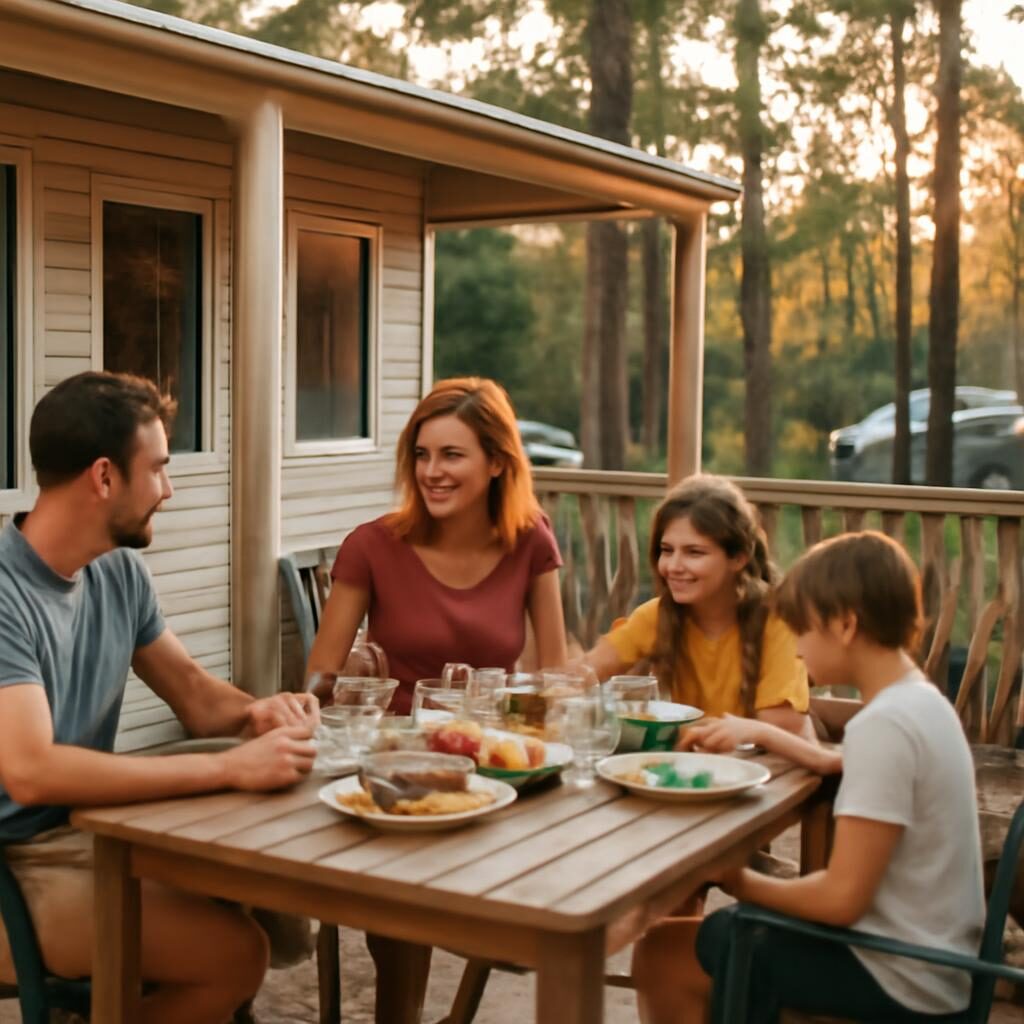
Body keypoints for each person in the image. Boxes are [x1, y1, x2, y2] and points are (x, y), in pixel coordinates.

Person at [0, 371, 320, 1024]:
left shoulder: (117, 570)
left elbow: (198, 698)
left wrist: (259, 712)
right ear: (104, 477)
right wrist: (229, 766)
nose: (168, 491)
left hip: (81, 835)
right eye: (159, 469)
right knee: (233, 957)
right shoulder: (5, 593)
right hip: (9, 868)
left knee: (256, 878)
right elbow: (30, 772)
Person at [642, 531, 985, 1024]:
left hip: (905, 981)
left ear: (845, 625)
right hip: (935, 966)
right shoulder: (921, 702)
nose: (797, 648)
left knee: (700, 941)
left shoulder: (884, 725)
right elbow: (847, 766)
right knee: (680, 945)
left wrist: (733, 878)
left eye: (802, 629)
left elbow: (840, 900)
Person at [307, 376, 568, 713]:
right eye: (421, 454)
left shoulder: (530, 538)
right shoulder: (370, 547)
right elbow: (319, 680)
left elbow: (557, 677)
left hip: (494, 749)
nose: (431, 472)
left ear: (497, 462)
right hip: (395, 747)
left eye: (451, 455)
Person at [582, 474, 812, 734]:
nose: (673, 566)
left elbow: (780, 725)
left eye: (694, 552)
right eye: (667, 550)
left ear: (738, 558)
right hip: (687, 765)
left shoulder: (777, 621)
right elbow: (584, 673)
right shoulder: (656, 616)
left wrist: (679, 730)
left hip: (760, 768)